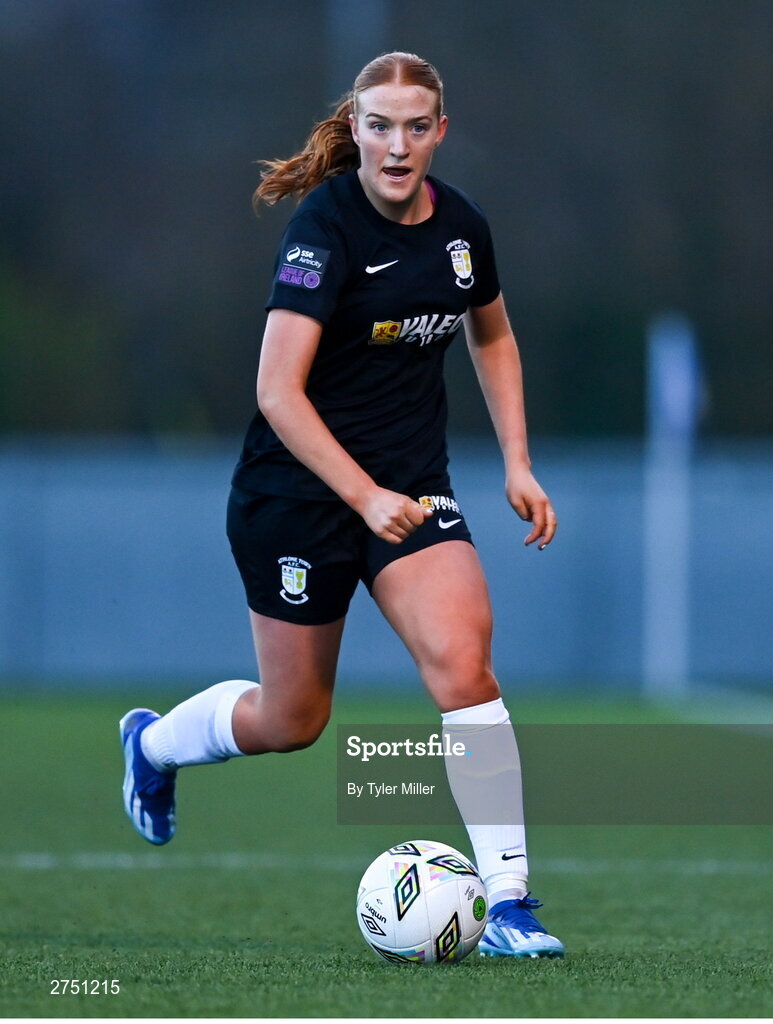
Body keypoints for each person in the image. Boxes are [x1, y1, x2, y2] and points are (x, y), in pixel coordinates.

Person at [120, 51, 564, 959]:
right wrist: (360, 497)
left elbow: (494, 333)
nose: (396, 145)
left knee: (463, 668)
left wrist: (516, 461)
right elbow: (278, 391)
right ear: (354, 128)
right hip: (297, 495)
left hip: (411, 490)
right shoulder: (324, 229)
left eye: (415, 126)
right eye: (378, 125)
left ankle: (511, 904)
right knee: (294, 721)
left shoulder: (463, 227)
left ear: (438, 131)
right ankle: (155, 747)